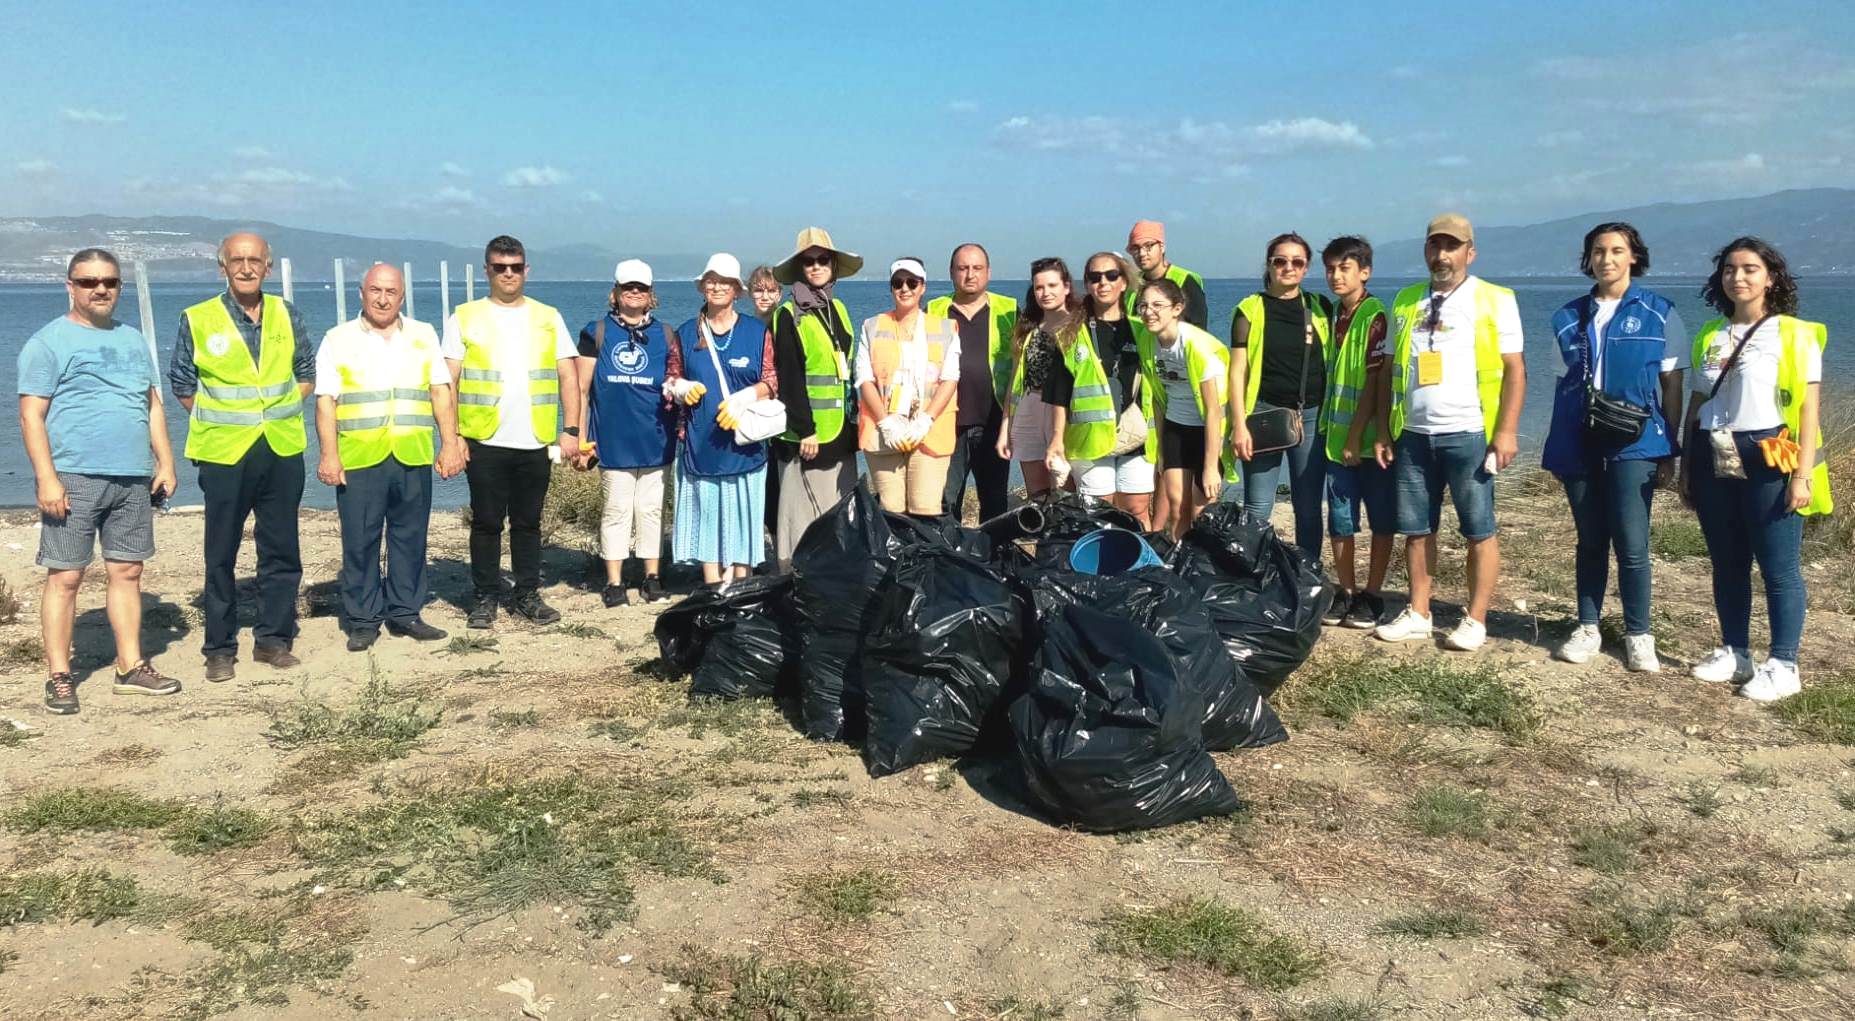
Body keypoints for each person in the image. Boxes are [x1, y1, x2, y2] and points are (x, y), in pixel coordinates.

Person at [19, 248, 181, 713]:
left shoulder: (132, 340)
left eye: (108, 281)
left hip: (131, 477)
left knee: (128, 570)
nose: (100, 289)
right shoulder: (47, 343)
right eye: (88, 282)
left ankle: (130, 666)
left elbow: (151, 405)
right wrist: (46, 479)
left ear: (119, 286)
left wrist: (165, 463)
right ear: (70, 286)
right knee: (67, 575)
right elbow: (32, 416)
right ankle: (59, 674)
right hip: (73, 475)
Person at [1680, 237, 1830, 702]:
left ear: (1771, 277)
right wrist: (1687, 465)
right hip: (1712, 453)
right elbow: (1698, 402)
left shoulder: (1794, 333)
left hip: (1769, 456)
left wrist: (1802, 477)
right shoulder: (1710, 333)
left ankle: (1784, 663)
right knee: (1727, 563)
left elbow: (1808, 411)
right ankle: (1735, 651)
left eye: (1749, 268)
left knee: (1779, 567)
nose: (1737, 277)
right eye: (1729, 269)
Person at [1373, 214, 1526, 651]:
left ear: (1469, 252)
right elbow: (1387, 372)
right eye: (1435, 246)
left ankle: (1475, 619)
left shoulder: (1495, 299)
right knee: (1417, 529)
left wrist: (1508, 430)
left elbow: (1516, 370)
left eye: (1452, 246)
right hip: (1414, 435)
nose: (1442, 255)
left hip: (1470, 432)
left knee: (1479, 528)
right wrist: (1384, 428)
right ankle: (1419, 612)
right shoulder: (1405, 301)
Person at [1542, 223, 1687, 671]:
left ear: (1633, 257)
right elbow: (1560, 384)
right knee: (1590, 539)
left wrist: (1670, 449)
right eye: (1598, 251)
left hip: (1637, 443)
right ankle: (1588, 625)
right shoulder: (1567, 317)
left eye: (1617, 250)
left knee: (1632, 541)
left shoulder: (1661, 313)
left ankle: (1639, 633)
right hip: (1580, 443)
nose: (1607, 259)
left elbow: (1673, 384)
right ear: (1588, 259)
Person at [170, 232, 313, 681]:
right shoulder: (198, 318)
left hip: (281, 448)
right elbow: (182, 384)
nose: (247, 268)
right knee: (221, 553)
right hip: (224, 452)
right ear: (223, 267)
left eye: (255, 260)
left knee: (282, 549)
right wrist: (233, 418)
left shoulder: (287, 314)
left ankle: (273, 639)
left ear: (268, 267)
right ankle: (219, 647)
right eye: (237, 260)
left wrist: (273, 412)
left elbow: (305, 372)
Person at [314, 264, 463, 651]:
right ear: (361, 293)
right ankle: (363, 619)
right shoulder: (338, 338)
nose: (383, 298)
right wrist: (329, 455)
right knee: (360, 541)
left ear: (402, 296)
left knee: (410, 537)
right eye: (375, 290)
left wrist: (450, 443)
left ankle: (405, 612)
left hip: (411, 453)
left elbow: (440, 392)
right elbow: (326, 402)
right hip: (361, 457)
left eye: (391, 292)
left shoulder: (423, 335)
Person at [442, 235, 582, 628]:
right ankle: (485, 596)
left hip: (534, 439)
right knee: (486, 522)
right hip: (484, 439)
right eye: (500, 267)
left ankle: (526, 593)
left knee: (528, 523)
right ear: (487, 269)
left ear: (526, 270)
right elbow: (447, 382)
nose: (508, 274)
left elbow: (568, 375)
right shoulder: (464, 316)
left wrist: (570, 430)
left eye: (515, 267)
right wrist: (450, 439)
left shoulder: (547, 316)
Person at [669, 254, 778, 589]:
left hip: (745, 445)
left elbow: (773, 381)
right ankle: (712, 583)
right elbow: (670, 378)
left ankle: (742, 582)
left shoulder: (757, 332)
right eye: (711, 281)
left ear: (736, 290)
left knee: (745, 514)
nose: (717, 287)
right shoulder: (686, 334)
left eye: (724, 282)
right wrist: (679, 388)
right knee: (707, 515)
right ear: (703, 286)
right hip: (700, 444)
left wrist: (747, 396)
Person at [574, 259, 677, 607]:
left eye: (641, 288)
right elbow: (582, 389)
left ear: (651, 295)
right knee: (616, 510)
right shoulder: (596, 332)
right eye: (627, 287)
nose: (634, 293)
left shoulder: (666, 336)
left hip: (655, 440)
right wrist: (580, 438)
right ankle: (614, 582)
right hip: (612, 442)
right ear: (615, 292)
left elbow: (676, 385)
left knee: (651, 510)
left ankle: (652, 577)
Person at [1229, 232, 1334, 563]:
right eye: (1280, 261)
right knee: (1258, 506)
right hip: (1262, 416)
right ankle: (1251, 577)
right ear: (1269, 264)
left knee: (1307, 505)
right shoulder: (1250, 310)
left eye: (1297, 262)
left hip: (1312, 414)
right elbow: (1237, 372)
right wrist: (1239, 425)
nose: (1288, 268)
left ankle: (1307, 576)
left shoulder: (1320, 307)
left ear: (1306, 268)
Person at [769, 227, 861, 570]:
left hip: (841, 432)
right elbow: (789, 378)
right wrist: (805, 428)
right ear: (800, 269)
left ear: (833, 266)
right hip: (806, 436)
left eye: (823, 260)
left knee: (836, 509)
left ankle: (834, 576)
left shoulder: (838, 308)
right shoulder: (789, 314)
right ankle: (793, 576)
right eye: (809, 262)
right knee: (800, 514)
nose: (816, 266)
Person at [1317, 236, 1396, 629]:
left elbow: (1374, 379)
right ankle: (1346, 591)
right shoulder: (1335, 314)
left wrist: (1356, 436)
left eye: (1344, 268)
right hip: (1335, 439)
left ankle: (1373, 593)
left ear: (1364, 272)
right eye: (1330, 268)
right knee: (1341, 519)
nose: (1335, 275)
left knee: (1381, 519)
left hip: (1366, 443)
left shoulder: (1375, 315)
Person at [856, 257, 961, 518]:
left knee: (925, 509)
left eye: (912, 282)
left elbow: (950, 378)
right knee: (891, 511)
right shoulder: (871, 326)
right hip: (884, 432)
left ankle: (926, 561)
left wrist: (925, 421)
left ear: (922, 287)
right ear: (891, 287)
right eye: (898, 283)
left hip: (930, 432)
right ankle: (895, 560)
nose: (905, 289)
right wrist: (886, 423)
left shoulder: (946, 328)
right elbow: (864, 379)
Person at [927, 244, 1018, 523]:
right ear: (951, 273)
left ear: (988, 273)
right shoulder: (933, 310)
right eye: (963, 268)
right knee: (944, 502)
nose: (970, 274)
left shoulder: (1009, 310)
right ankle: (949, 563)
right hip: (947, 425)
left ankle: (994, 563)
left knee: (994, 504)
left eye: (977, 268)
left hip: (994, 424)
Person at [1136, 277, 1231, 538]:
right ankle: (1180, 565)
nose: (1149, 312)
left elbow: (1213, 410)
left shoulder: (1195, 346)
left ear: (1177, 308)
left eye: (1157, 305)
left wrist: (1211, 465)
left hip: (1206, 431)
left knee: (1202, 513)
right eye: (1143, 306)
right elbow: (1157, 396)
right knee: (1177, 508)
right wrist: (1160, 451)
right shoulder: (1147, 341)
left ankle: (1205, 569)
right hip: (1175, 429)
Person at [1073, 251, 1155, 526]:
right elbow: (1059, 391)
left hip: (1136, 433)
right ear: (1086, 284)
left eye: (1111, 275)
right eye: (1095, 277)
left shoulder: (1142, 330)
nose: (1103, 283)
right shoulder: (1073, 330)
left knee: (1136, 507)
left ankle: (1140, 566)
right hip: (1090, 438)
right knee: (1097, 511)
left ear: (1124, 282)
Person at [996, 258, 1083, 500]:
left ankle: (1069, 536)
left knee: (1067, 486)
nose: (1045, 293)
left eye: (1052, 286)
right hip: (1029, 406)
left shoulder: (1080, 325)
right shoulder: (1028, 327)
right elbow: (1015, 379)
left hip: (1064, 410)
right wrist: (1006, 427)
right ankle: (1045, 537)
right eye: (1039, 287)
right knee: (1037, 492)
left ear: (1066, 287)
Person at [1124, 220, 1208, 329]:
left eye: (1148, 246)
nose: (1142, 253)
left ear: (1162, 247)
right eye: (1136, 248)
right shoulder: (1132, 285)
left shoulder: (1184, 280)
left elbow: (1198, 329)